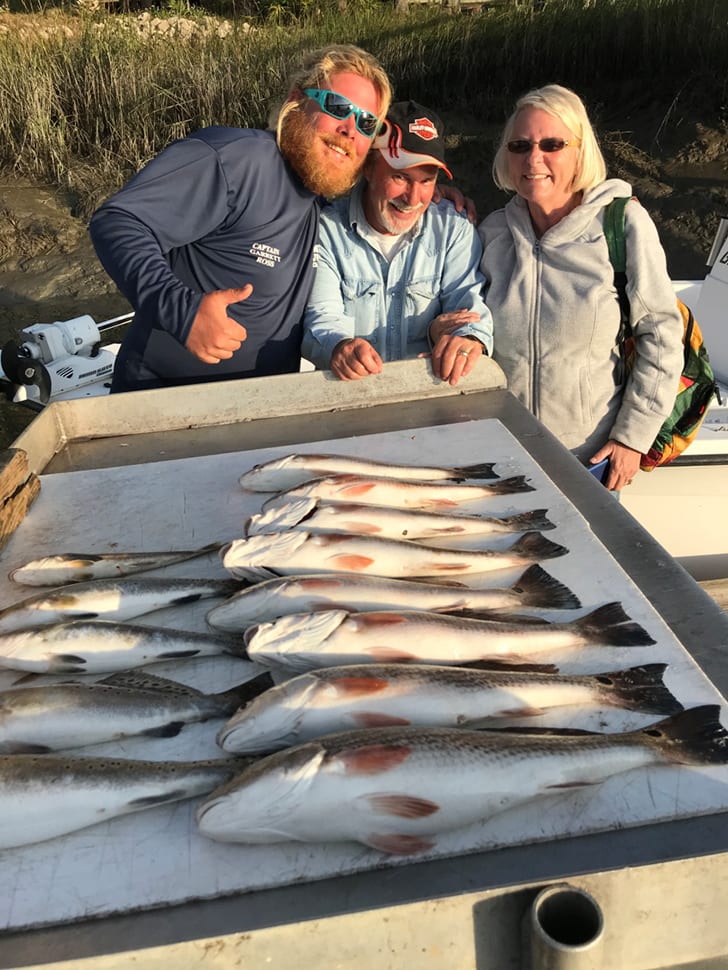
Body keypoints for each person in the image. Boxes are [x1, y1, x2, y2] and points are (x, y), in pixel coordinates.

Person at [89, 45, 392, 393]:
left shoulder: (320, 195)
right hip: (162, 401)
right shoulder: (237, 160)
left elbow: (392, 188)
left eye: (367, 123)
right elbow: (119, 220)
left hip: (258, 407)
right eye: (337, 107)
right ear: (296, 101)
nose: (350, 129)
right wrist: (182, 311)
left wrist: (428, 192)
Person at [478, 83, 684, 492]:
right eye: (519, 145)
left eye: (552, 144)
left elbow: (661, 336)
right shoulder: (491, 233)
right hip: (503, 459)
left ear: (580, 151)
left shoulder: (622, 225)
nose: (533, 158)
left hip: (589, 462)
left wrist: (632, 438)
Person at [301, 101, 493, 386]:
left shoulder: (454, 228)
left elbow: (470, 307)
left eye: (426, 181)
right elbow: (322, 317)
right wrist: (339, 348)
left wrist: (467, 340)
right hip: (351, 395)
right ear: (368, 168)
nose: (413, 198)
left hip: (430, 396)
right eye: (400, 177)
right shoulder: (327, 230)